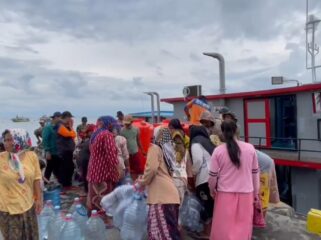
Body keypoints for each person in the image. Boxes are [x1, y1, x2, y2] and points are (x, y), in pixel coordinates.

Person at [208, 120, 260, 240]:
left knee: (223, 230)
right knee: (243, 230)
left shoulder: (218, 151)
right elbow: (255, 174)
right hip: (247, 195)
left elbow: (212, 176)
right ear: (237, 130)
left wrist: (212, 190)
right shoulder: (250, 148)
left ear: (222, 133)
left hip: (224, 195)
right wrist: (256, 193)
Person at [137, 127, 181, 240]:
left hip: (160, 197)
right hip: (171, 196)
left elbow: (151, 169)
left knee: (160, 234)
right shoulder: (168, 151)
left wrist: (142, 182)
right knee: (171, 233)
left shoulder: (155, 148)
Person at [0, 129, 42, 240]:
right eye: (5, 140)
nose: (8, 143)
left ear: (21, 139)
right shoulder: (1, 159)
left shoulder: (31, 156)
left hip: (28, 205)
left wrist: (38, 199)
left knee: (31, 237)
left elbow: (36, 178)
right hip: (8, 210)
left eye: (11, 139)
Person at [86, 116, 119, 218]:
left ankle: (93, 216)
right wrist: (116, 169)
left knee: (93, 194)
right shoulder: (107, 135)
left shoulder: (95, 134)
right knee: (104, 195)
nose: (114, 127)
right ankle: (102, 219)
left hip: (93, 168)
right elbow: (111, 154)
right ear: (109, 124)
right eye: (112, 125)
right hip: (103, 170)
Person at [189, 125, 216, 238]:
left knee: (205, 206)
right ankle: (213, 231)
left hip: (204, 179)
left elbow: (198, 160)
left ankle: (207, 233)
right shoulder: (208, 142)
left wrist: (193, 172)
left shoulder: (195, 143)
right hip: (214, 177)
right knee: (212, 205)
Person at [168, 119, 189, 202]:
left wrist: (177, 161)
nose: (169, 130)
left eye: (170, 128)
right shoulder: (180, 132)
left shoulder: (176, 134)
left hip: (179, 163)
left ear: (173, 127)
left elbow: (181, 150)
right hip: (184, 160)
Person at [120, 115, 145, 180]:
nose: (126, 125)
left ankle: (138, 182)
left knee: (139, 170)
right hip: (126, 154)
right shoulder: (121, 131)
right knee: (128, 170)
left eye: (128, 123)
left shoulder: (136, 129)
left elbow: (138, 140)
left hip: (135, 152)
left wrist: (142, 150)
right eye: (125, 124)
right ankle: (130, 183)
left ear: (131, 122)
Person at [56, 111, 76, 188]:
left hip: (68, 150)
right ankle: (65, 184)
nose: (70, 119)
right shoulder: (60, 126)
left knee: (70, 167)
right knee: (66, 167)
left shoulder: (64, 125)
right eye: (70, 118)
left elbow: (73, 136)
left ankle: (67, 183)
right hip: (64, 151)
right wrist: (71, 126)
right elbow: (70, 134)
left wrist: (70, 127)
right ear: (67, 117)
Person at [42, 111, 61, 183]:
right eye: (59, 118)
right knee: (49, 167)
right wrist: (47, 151)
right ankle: (45, 183)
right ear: (55, 117)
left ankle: (59, 182)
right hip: (51, 151)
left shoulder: (57, 127)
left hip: (57, 151)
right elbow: (45, 139)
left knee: (57, 167)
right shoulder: (48, 127)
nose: (60, 120)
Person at [77, 124, 96, 193]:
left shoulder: (88, 140)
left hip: (82, 159)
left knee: (85, 175)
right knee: (87, 175)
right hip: (86, 160)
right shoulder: (92, 140)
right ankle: (88, 191)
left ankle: (87, 190)